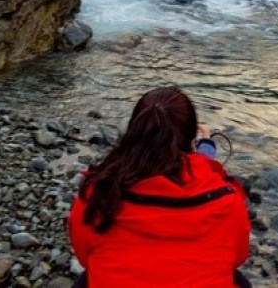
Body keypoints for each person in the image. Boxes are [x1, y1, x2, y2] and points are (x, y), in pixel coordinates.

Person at [68, 86, 252, 287]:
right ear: (191, 142)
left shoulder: (97, 192)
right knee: (240, 281)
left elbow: (85, 256)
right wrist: (206, 147)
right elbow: (238, 257)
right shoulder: (226, 197)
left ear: (132, 133)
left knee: (85, 279)